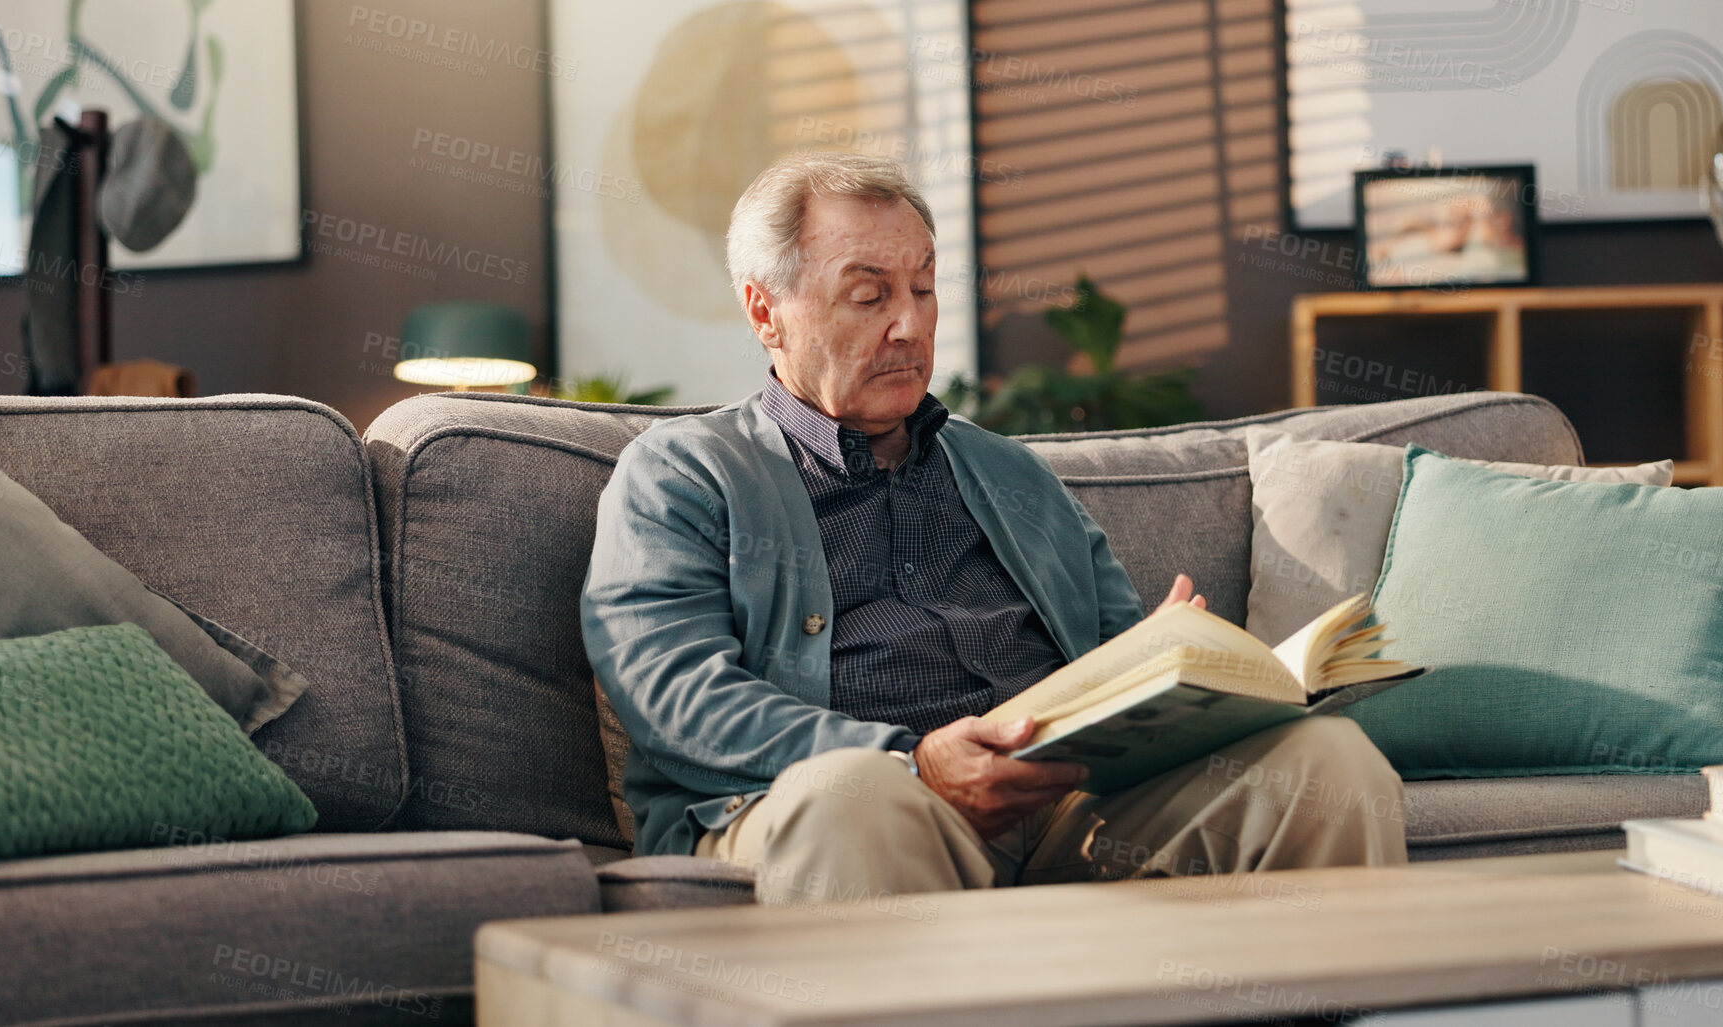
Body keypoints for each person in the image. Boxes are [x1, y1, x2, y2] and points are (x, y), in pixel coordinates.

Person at [581, 152, 1406, 907]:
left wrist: (1165, 668)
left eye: (923, 289)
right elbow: (674, 698)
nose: (907, 324)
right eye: (868, 295)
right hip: (831, 800)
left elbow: (1111, 655)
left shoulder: (1010, 474)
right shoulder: (683, 473)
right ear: (766, 311)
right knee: (855, 802)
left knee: (1326, 765)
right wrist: (912, 761)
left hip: (1059, 807)